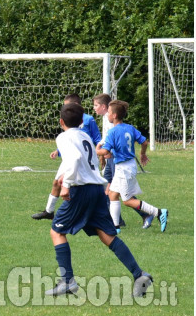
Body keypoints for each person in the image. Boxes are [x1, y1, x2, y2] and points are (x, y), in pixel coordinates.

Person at [44, 103, 152, 297]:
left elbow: (74, 158)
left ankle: (67, 281)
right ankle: (139, 274)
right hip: (96, 189)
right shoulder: (85, 136)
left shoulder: (63, 137)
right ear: (81, 121)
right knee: (107, 235)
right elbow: (87, 160)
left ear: (61, 122)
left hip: (81, 190)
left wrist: (66, 184)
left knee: (57, 231)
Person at [96, 100, 168, 233]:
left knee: (127, 200)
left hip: (124, 168)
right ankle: (115, 227)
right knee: (112, 194)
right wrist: (142, 154)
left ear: (115, 115)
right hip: (126, 166)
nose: (107, 115)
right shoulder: (130, 128)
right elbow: (144, 142)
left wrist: (97, 150)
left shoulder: (113, 132)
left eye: (109, 113)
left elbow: (105, 152)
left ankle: (158, 212)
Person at [32, 94, 101, 220]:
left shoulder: (88, 120)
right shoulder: (70, 128)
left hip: (79, 159)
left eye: (67, 106)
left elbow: (94, 140)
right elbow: (72, 143)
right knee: (57, 182)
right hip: (71, 157)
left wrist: (101, 152)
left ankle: (109, 215)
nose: (65, 109)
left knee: (76, 185)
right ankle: (49, 211)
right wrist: (58, 151)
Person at [93, 93, 151, 229]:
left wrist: (102, 153)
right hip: (116, 160)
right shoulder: (110, 122)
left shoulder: (113, 125)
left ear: (105, 107)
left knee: (122, 194)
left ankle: (149, 213)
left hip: (119, 161)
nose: (94, 108)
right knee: (110, 191)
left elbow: (114, 144)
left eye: (96, 105)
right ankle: (116, 222)